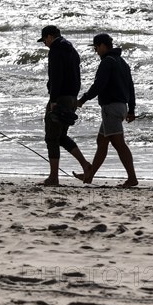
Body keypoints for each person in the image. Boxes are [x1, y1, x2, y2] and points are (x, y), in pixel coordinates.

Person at [76, 34, 138, 188]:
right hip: (121, 107)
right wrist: (131, 109)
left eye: (96, 47)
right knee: (101, 141)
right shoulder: (122, 62)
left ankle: (132, 178)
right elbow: (131, 87)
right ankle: (89, 175)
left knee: (119, 144)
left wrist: (83, 99)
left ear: (103, 45)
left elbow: (99, 85)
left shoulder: (107, 62)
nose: (96, 51)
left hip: (111, 107)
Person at [38, 26, 91, 186]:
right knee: (60, 136)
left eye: (44, 40)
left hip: (60, 98)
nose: (45, 44)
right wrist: (74, 97)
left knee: (51, 137)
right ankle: (86, 166)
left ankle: (53, 177)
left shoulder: (55, 50)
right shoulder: (71, 50)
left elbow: (56, 76)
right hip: (71, 97)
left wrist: (53, 100)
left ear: (50, 36)